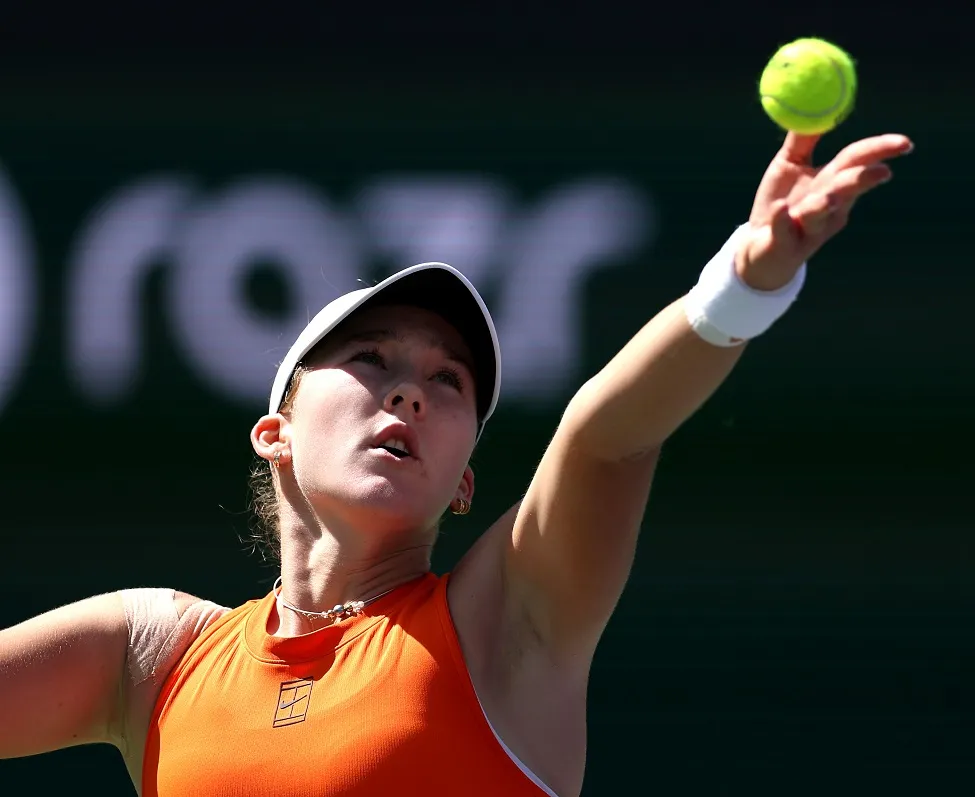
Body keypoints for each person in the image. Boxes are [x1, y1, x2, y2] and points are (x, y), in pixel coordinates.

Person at [0, 130, 912, 797]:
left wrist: (741, 288)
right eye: (372, 362)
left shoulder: (502, 624)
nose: (410, 395)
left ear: (463, 483)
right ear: (273, 432)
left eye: (447, 382)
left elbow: (605, 436)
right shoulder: (152, 655)